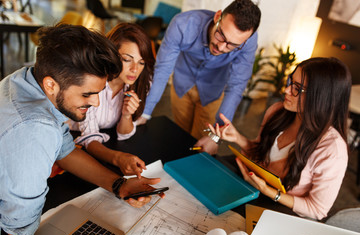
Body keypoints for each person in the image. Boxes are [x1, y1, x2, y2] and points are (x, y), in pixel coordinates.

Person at [0, 24, 163, 235]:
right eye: (87, 94)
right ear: (51, 85)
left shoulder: (27, 80)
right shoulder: (36, 131)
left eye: (98, 93)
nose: (95, 102)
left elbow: (65, 150)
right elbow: (16, 231)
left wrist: (119, 185)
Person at [209, 57, 351, 220]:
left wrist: (270, 193)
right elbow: (261, 157)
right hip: (254, 186)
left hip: (280, 208)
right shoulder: (277, 111)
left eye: (297, 88)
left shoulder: (332, 149)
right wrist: (238, 138)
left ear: (320, 98)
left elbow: (317, 209)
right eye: (291, 81)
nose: (287, 90)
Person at [136, 0, 261, 154]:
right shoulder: (183, 24)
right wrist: (145, 112)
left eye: (232, 45)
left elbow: (236, 86)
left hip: (213, 92)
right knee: (180, 137)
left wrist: (216, 137)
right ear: (217, 17)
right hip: (182, 84)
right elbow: (162, 69)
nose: (221, 47)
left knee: (201, 149)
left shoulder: (248, 41)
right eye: (221, 35)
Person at [68, 23, 154, 178]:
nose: (135, 69)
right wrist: (118, 158)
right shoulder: (93, 80)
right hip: (68, 135)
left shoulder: (141, 83)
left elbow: (124, 134)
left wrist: (127, 115)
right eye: (127, 59)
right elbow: (89, 138)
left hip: (107, 143)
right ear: (112, 55)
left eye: (141, 62)